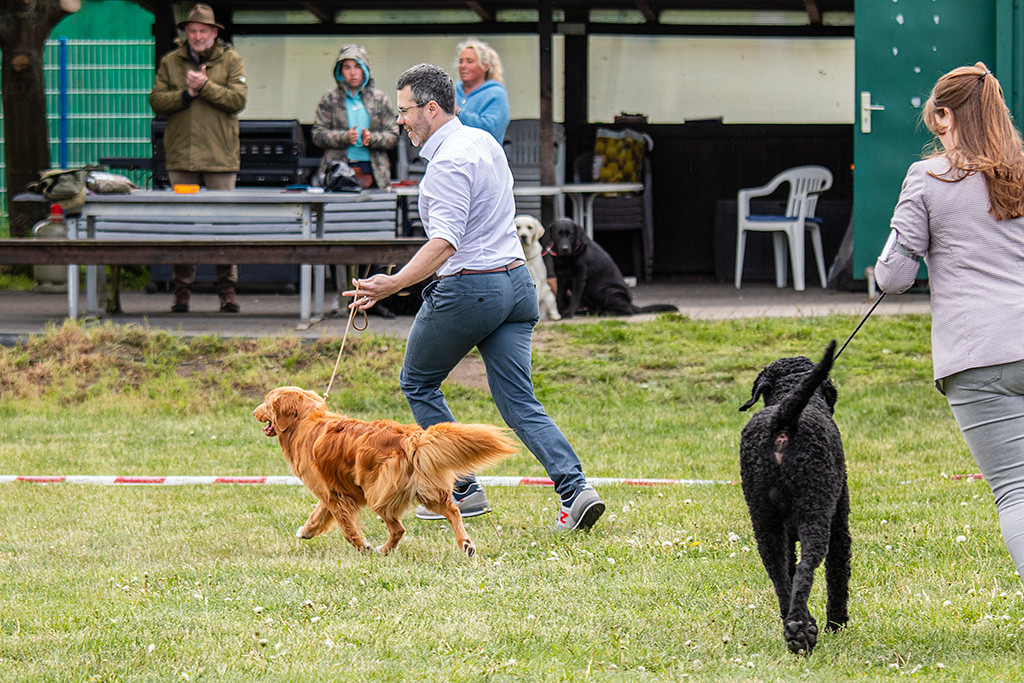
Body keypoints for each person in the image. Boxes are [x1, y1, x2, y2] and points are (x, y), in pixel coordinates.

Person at [344, 63, 604, 532]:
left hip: (471, 288)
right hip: (517, 286)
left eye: (404, 112)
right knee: (519, 401)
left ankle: (462, 490)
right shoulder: (484, 142)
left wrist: (393, 282)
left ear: (431, 108)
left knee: (417, 383)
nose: (399, 121)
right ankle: (576, 490)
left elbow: (445, 242)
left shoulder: (445, 164)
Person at [874, 62, 1024, 580]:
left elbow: (893, 277)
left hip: (978, 356)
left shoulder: (927, 176)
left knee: (1016, 490)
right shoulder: (1021, 170)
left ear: (943, 115)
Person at [149, 3, 248, 314]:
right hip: (182, 157)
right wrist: (186, 95)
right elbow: (156, 100)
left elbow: (238, 100)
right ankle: (182, 292)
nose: (197, 36)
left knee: (224, 225)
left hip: (220, 157)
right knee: (183, 225)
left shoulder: (231, 60)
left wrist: (204, 87)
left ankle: (227, 291)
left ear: (214, 32)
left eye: (203, 30)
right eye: (192, 31)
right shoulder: (170, 62)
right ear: (186, 33)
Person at [312, 44, 399, 191]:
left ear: (365, 69)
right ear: (340, 71)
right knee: (337, 213)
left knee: (374, 212)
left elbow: (393, 135)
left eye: (357, 66)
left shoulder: (380, 99)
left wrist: (371, 138)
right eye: (347, 67)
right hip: (337, 169)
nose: (353, 72)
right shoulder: (329, 99)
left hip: (374, 171)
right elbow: (317, 135)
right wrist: (345, 137)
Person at [454, 39, 510, 143]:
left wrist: (459, 112)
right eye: (461, 62)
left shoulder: (496, 93)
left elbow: (491, 129)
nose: (463, 66)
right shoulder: (451, 90)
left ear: (485, 66)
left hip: (482, 157)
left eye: (469, 61)